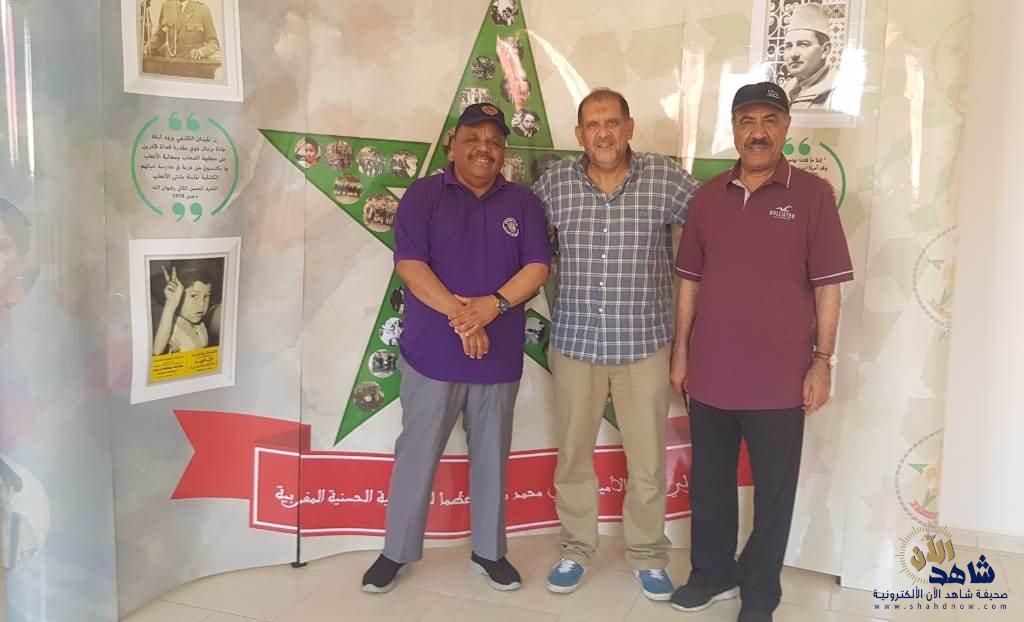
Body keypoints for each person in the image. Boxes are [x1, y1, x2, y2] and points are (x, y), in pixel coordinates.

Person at [668, 82, 853, 622]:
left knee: (774, 494)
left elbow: (828, 287)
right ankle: (710, 574)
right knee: (710, 485)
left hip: (781, 378)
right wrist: (681, 353)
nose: (758, 132)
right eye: (747, 120)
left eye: (770, 120)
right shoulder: (707, 197)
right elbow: (689, 281)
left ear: (786, 128)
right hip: (711, 371)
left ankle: (760, 593)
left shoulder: (813, 196)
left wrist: (823, 361)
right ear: (733, 128)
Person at [361, 103, 550, 594]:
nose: (484, 148)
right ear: (452, 144)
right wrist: (464, 317)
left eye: (494, 141)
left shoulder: (524, 203)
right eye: (473, 138)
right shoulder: (423, 195)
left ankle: (489, 551)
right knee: (416, 454)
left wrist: (492, 306)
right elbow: (410, 265)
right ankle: (396, 552)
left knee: (491, 457)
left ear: (503, 150)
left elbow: (536, 268)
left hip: (498, 357)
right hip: (432, 357)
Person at [532, 88, 699, 601]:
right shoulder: (555, 183)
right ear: (579, 134)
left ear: (629, 127)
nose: (602, 132)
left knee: (647, 461)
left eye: (611, 122)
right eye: (592, 124)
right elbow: (518, 241)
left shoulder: (665, 177)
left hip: (644, 343)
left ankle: (648, 555)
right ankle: (576, 548)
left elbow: (715, 224)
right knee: (573, 456)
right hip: (575, 342)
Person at [781, 3, 837, 110]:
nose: (793, 54)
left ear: (825, 50)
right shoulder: (784, 90)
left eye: (803, 44)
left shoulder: (840, 89)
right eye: (788, 46)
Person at [152, 263, 215, 355]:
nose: (202, 303)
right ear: (178, 296)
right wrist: (170, 304)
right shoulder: (172, 329)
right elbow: (157, 351)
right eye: (194, 295)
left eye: (206, 296)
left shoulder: (200, 325)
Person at [143, 0, 220, 61]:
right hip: (169, 62)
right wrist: (146, 49)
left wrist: (201, 52)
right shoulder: (166, 6)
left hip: (192, 64)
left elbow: (214, 43)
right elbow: (160, 35)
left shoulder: (203, 10)